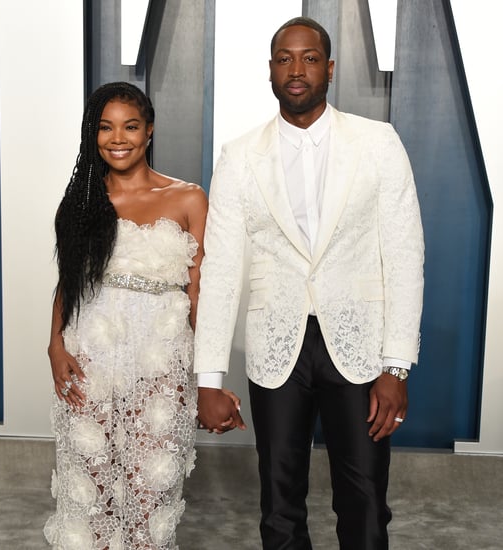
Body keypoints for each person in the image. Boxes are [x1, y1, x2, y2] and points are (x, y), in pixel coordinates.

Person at [194, 17, 424, 550]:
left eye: (309, 58)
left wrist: (395, 366)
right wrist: (208, 377)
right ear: (271, 70)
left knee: (365, 500)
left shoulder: (378, 143)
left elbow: (405, 256)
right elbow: (222, 267)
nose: (296, 70)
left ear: (330, 68)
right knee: (279, 506)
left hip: (361, 346)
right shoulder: (239, 155)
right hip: (276, 348)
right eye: (284, 59)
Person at [44, 82, 208, 549]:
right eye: (105, 127)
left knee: (148, 490)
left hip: (161, 360)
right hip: (89, 356)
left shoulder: (188, 198)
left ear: (149, 131)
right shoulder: (83, 200)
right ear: (92, 135)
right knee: (89, 489)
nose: (118, 138)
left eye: (130, 126)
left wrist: (204, 372)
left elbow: (199, 291)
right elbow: (68, 282)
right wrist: (55, 344)